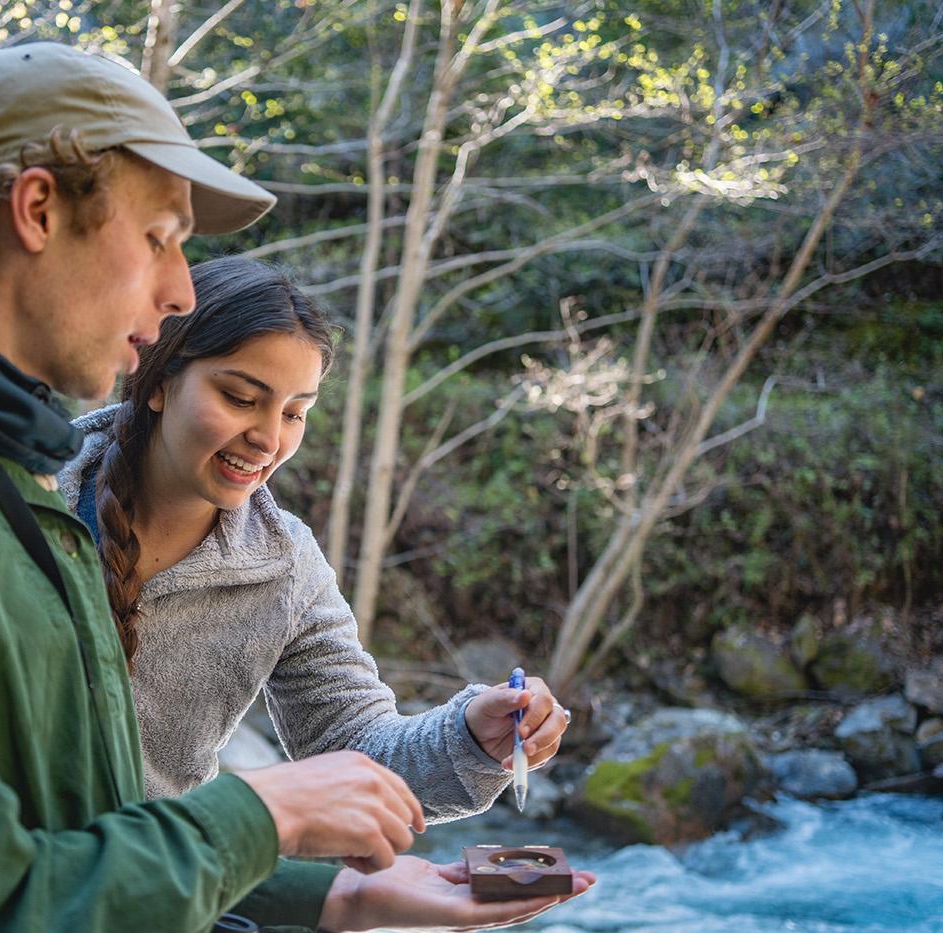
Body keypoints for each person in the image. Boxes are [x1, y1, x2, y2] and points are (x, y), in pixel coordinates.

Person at [0, 41, 591, 932]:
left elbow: (90, 837)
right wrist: (265, 814)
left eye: (296, 409)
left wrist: (333, 896)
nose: (182, 291)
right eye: (158, 237)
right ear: (38, 212)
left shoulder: (7, 489)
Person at [60, 256, 572, 822]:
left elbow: (355, 745)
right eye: (239, 398)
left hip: (154, 886)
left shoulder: (284, 565)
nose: (267, 438)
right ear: (158, 383)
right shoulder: (27, 491)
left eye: (295, 413)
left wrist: (472, 735)